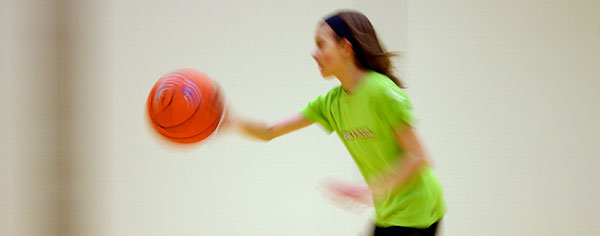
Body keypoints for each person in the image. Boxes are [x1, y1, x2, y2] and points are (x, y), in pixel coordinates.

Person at [223, 10, 446, 236]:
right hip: (387, 212)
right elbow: (269, 131)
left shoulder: (380, 91)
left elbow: (419, 157)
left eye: (321, 44)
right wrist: (230, 120)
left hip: (418, 211)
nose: (313, 53)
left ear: (345, 48)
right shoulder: (330, 103)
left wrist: (368, 190)